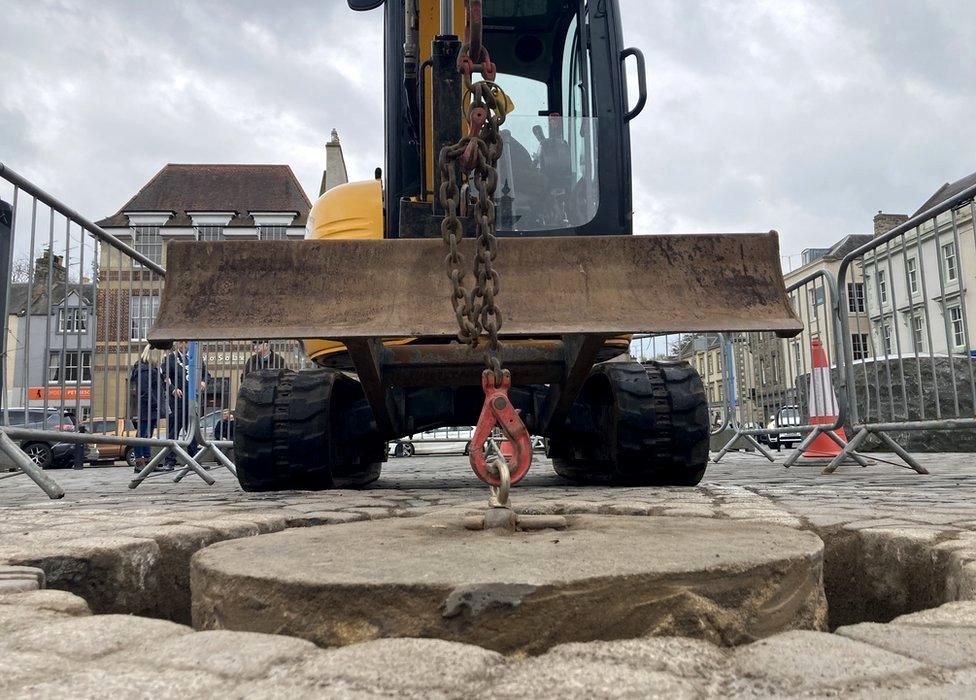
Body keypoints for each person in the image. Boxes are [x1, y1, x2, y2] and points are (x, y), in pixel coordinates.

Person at [161, 341, 210, 471]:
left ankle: (194, 460)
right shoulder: (170, 359)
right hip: (177, 401)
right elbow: (165, 377)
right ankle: (169, 461)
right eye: (180, 342)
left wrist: (204, 382)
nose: (182, 344)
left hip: (192, 401)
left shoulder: (197, 359)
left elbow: (206, 374)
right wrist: (172, 389)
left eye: (185, 342)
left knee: (193, 432)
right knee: (173, 432)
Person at [130, 344, 163, 473]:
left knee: (146, 435)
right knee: (142, 435)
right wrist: (155, 404)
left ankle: (147, 462)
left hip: (148, 407)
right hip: (147, 407)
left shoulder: (147, 369)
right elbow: (145, 391)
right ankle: (140, 462)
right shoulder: (145, 370)